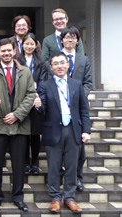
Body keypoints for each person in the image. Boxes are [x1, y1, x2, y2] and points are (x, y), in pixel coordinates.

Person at [0, 38, 37, 213]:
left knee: (19, 165)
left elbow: (31, 95)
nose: (6, 53)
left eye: (9, 50)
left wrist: (17, 115)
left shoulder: (25, 72)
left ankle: (18, 197)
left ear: (14, 52)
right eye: (2, 51)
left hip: (20, 126)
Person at [37, 51, 91, 214]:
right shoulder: (44, 86)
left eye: (62, 63)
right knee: (53, 166)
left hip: (74, 130)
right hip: (53, 131)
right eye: (56, 63)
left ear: (68, 65)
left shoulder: (77, 85)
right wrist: (38, 105)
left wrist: (86, 130)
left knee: (72, 165)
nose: (59, 66)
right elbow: (42, 109)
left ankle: (69, 197)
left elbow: (83, 109)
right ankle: (55, 197)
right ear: (51, 67)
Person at [59, 26, 92, 191]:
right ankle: (59, 175)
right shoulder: (55, 59)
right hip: (59, 108)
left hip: (78, 108)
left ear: (77, 40)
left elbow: (88, 82)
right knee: (59, 144)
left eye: (73, 37)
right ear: (62, 40)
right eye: (67, 37)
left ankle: (77, 178)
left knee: (79, 147)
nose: (70, 40)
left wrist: (79, 97)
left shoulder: (83, 60)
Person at [17, 33, 47, 174]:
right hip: (21, 100)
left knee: (35, 134)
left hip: (36, 99)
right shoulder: (17, 61)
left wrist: (37, 96)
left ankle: (34, 163)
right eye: (26, 43)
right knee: (23, 134)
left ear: (36, 46)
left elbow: (43, 81)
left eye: (32, 44)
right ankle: (24, 163)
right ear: (22, 45)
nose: (29, 46)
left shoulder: (41, 62)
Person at [42, 8, 85, 75]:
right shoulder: (47, 40)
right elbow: (45, 61)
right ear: (52, 22)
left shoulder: (75, 38)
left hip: (74, 76)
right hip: (55, 77)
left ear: (66, 19)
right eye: (56, 19)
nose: (59, 21)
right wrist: (56, 72)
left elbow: (80, 57)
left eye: (61, 18)